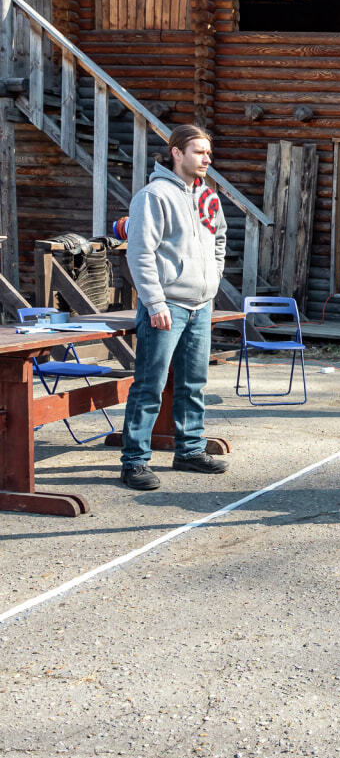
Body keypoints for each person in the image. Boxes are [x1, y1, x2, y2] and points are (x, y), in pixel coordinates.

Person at [119, 125, 228, 491]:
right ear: (176, 153)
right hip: (166, 307)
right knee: (149, 385)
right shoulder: (153, 195)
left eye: (208, 153)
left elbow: (220, 239)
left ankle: (189, 450)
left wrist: (211, 280)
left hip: (201, 305)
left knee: (194, 383)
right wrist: (154, 301)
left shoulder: (208, 196)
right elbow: (140, 253)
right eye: (199, 152)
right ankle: (134, 461)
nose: (207, 159)